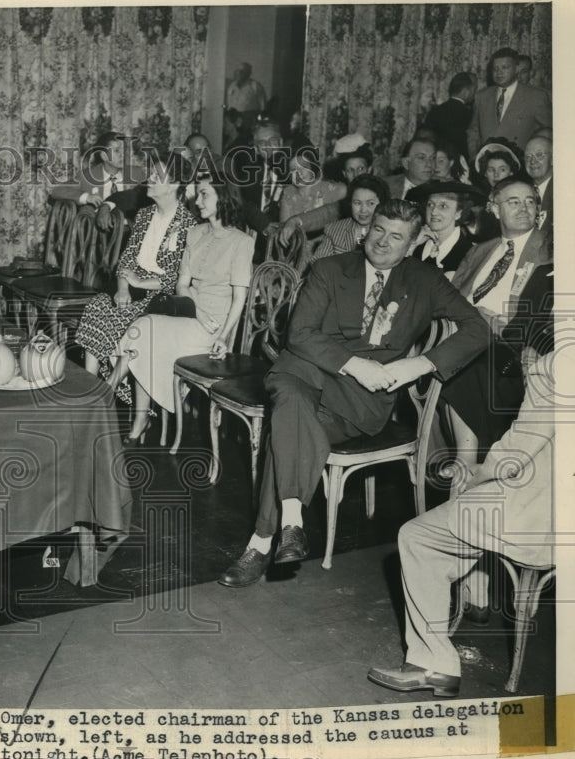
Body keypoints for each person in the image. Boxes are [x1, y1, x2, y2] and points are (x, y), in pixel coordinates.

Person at [218, 199, 488, 588]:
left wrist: (421, 364)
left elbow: (477, 329)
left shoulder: (425, 281)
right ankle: (283, 527)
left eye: (397, 236)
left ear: (412, 245)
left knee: (287, 425)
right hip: (307, 376)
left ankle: (266, 538)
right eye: (378, 230)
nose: (383, 241)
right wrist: (355, 363)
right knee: (291, 397)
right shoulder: (329, 268)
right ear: (365, 230)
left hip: (358, 402)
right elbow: (301, 335)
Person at [368, 349, 555, 698]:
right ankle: (474, 594)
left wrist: (475, 474)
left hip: (539, 519)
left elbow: (516, 452)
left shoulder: (558, 365)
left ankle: (433, 663)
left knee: (417, 536)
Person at [119, 171, 254, 442]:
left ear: (223, 197)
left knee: (144, 329)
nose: (198, 200)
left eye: (205, 194)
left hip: (214, 328)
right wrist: (199, 313)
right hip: (192, 317)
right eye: (198, 194)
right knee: (142, 330)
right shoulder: (195, 233)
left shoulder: (242, 242)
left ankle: (111, 397)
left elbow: (239, 299)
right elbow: (182, 285)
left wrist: (224, 337)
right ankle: (133, 411)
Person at [441, 175, 552, 477]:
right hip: (464, 335)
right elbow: (450, 299)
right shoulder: (479, 251)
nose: (523, 208)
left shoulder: (549, 249)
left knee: (466, 363)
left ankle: (465, 460)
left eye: (530, 201)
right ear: (494, 208)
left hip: (512, 349)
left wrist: (493, 324)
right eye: (513, 202)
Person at [74, 154, 195, 393]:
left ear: (173, 185)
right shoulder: (144, 215)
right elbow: (127, 259)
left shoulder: (187, 225)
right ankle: (89, 384)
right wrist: (122, 288)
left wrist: (138, 281)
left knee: (131, 321)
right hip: (130, 285)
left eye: (156, 176)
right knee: (98, 304)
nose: (148, 179)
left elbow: (173, 278)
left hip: (158, 294)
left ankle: (107, 390)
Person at [466, 47, 551, 157]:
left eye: (504, 67)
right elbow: (473, 131)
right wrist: (474, 158)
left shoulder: (537, 97)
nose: (499, 72)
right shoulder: (481, 96)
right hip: (486, 166)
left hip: (521, 166)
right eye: (495, 68)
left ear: (516, 69)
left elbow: (549, 132)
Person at [405, 181, 485, 277]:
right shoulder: (414, 245)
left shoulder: (471, 254)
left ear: (458, 213)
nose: (434, 211)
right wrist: (413, 245)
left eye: (443, 206)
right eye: (430, 205)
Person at [312, 174, 389, 261]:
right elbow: (317, 264)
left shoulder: (390, 232)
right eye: (357, 203)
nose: (363, 210)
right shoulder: (334, 230)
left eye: (370, 203)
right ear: (350, 204)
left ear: (382, 205)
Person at [278, 143, 346, 221]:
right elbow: (285, 227)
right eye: (293, 170)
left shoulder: (331, 189)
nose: (299, 173)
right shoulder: (288, 195)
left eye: (304, 167)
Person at [422, 72, 476, 158]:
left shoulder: (435, 111)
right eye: (473, 90)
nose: (474, 94)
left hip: (438, 160)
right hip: (461, 163)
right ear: (465, 92)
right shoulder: (469, 114)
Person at [225, 63, 267, 135]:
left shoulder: (255, 86)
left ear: (249, 73)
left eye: (242, 71)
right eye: (238, 71)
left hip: (248, 121)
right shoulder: (232, 86)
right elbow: (228, 103)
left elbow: (263, 107)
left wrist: (259, 121)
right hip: (233, 120)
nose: (239, 73)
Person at [524, 135, 553, 235]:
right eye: (528, 157)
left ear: (553, 159)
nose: (532, 161)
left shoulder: (564, 191)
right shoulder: (523, 191)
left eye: (539, 155)